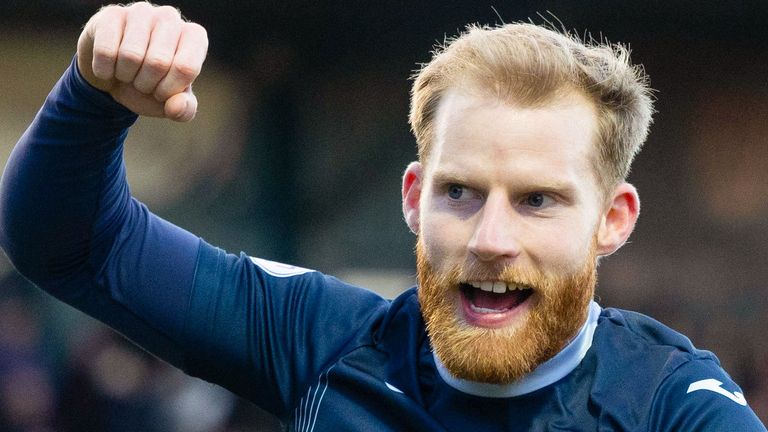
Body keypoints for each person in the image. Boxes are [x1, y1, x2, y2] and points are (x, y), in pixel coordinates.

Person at [0, 2, 765, 430]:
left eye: (538, 201)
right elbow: (72, 244)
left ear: (613, 220)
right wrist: (92, 95)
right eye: (458, 192)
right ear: (411, 197)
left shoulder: (671, 406)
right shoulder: (321, 340)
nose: (490, 240)